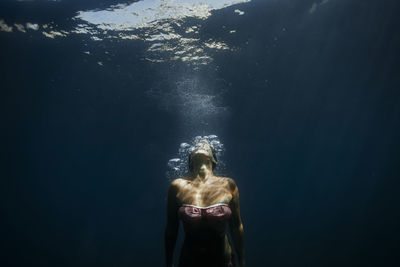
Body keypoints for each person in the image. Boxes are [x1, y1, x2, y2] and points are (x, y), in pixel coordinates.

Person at [165, 140, 245, 267]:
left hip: (223, 262)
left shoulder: (228, 184)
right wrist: (168, 263)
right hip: (189, 262)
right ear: (190, 161)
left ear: (213, 159)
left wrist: (242, 262)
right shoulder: (177, 186)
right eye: (195, 147)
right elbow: (171, 228)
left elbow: (236, 226)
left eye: (206, 145)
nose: (200, 145)